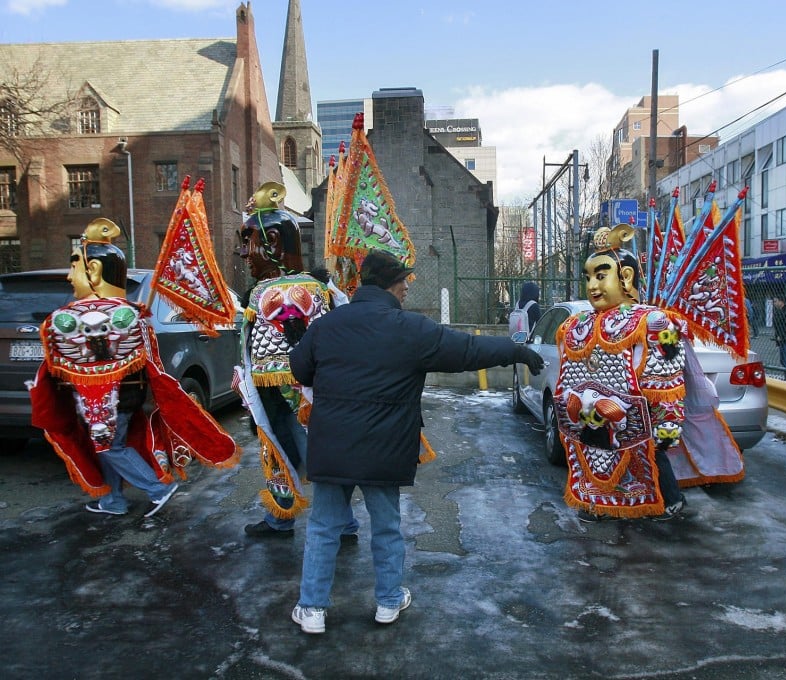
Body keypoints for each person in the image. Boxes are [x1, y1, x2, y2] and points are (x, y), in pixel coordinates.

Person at [288, 250, 543, 633]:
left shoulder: (327, 325)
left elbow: (300, 369)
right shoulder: (411, 329)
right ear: (390, 282)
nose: (408, 286)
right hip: (384, 447)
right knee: (387, 525)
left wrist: (300, 342)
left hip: (332, 443)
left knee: (324, 527)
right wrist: (516, 351)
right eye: (404, 280)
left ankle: (312, 610)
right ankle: (388, 601)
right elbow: (468, 350)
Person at [28, 218, 238, 516]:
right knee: (108, 445)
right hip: (122, 397)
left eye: (75, 265)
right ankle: (113, 499)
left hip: (108, 400)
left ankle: (158, 488)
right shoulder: (130, 313)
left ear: (94, 270)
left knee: (107, 446)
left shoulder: (78, 317)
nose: (69, 276)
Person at [554, 224, 744, 524]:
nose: (592, 286)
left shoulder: (653, 322)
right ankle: (600, 504)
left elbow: (667, 383)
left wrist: (668, 423)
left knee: (652, 452)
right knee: (595, 451)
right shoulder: (577, 325)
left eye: (601, 276)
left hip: (638, 412)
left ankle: (670, 500)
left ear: (626, 276)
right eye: (588, 277)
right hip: (594, 412)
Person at [235, 181, 357, 541]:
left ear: (271, 242)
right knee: (324, 456)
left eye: (248, 241)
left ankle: (286, 518)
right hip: (322, 389)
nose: (244, 253)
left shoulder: (267, 292)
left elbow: (261, 354)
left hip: (286, 391)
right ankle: (341, 522)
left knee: (283, 449)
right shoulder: (323, 287)